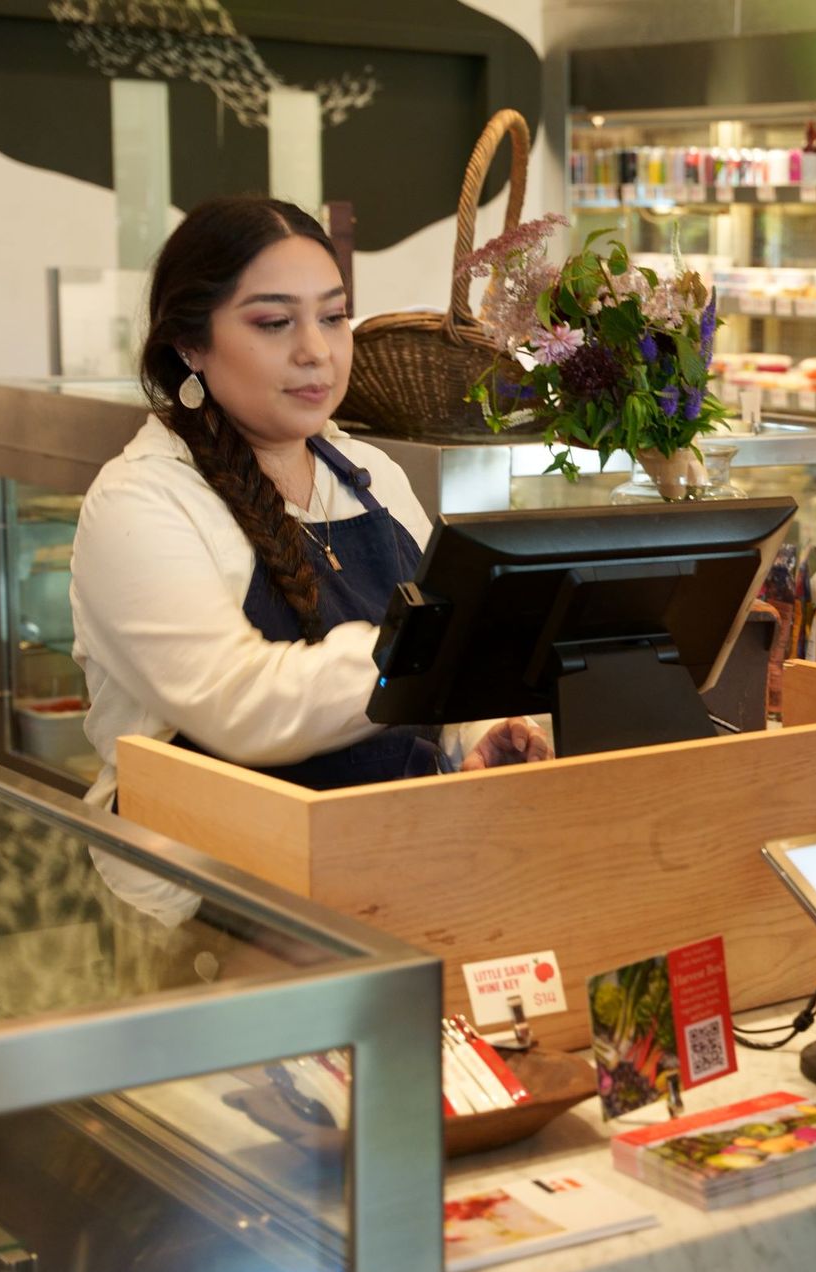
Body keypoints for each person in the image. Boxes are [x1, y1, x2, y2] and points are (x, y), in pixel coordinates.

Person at [71, 197, 549, 922]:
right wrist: (422, 653)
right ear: (190, 346)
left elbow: (444, 652)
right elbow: (242, 706)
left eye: (332, 316)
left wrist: (479, 731)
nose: (317, 351)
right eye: (273, 323)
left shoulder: (370, 474)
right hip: (219, 911)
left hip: (391, 876)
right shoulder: (140, 502)